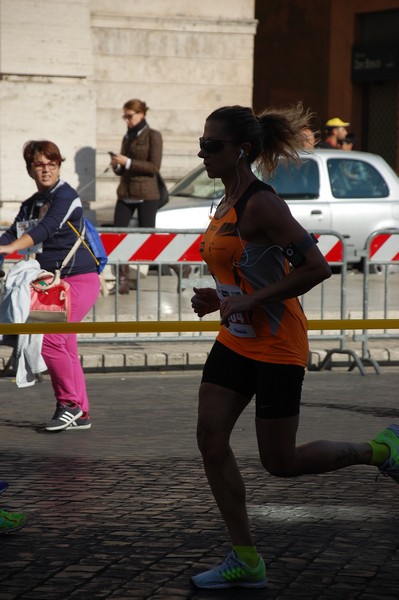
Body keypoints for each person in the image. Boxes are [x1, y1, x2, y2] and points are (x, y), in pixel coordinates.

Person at [189, 103, 399, 590]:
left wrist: (251, 300)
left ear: (241, 151)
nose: (203, 153)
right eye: (201, 144)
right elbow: (243, 268)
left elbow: (316, 267)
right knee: (209, 440)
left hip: (279, 344)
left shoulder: (262, 203)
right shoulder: (223, 201)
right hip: (237, 341)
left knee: (279, 462)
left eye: (211, 145)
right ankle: (246, 559)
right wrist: (217, 296)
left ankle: (381, 448)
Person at [0, 140, 100, 432]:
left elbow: (46, 228)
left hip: (79, 279)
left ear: (59, 165)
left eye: (52, 164)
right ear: (30, 168)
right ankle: (81, 413)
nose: (46, 170)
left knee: (51, 340)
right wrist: (3, 246)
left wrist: (9, 250)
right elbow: (11, 234)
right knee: (65, 345)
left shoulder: (66, 196)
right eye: (39, 164)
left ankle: (68, 404)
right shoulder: (31, 203)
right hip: (53, 282)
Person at [109, 98, 163, 294]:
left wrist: (128, 162)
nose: (127, 120)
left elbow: (154, 167)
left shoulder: (153, 136)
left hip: (147, 194)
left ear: (141, 114)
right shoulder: (127, 136)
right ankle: (122, 281)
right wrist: (117, 165)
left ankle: (178, 266)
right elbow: (123, 169)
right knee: (117, 235)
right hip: (125, 193)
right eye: (125, 116)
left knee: (149, 238)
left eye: (129, 116)